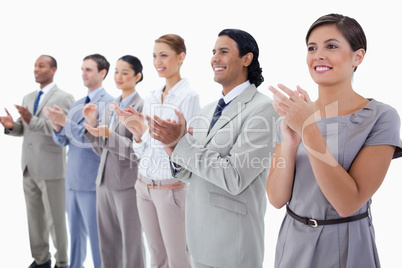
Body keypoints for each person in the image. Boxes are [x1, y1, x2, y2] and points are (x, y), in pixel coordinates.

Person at [266, 13, 402, 268]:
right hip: (293, 244)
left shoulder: (381, 117)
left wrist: (309, 129)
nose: (318, 54)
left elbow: (347, 203)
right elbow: (275, 198)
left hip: (346, 244)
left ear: (358, 57)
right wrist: (290, 142)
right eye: (312, 47)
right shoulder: (291, 117)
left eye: (331, 46)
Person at [144, 29, 277, 268]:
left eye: (224, 51)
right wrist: (172, 148)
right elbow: (190, 174)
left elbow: (235, 177)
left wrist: (182, 143)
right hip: (198, 239)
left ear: (247, 59)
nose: (215, 57)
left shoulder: (264, 109)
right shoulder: (207, 110)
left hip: (231, 244)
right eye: (213, 52)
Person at [114, 34, 200, 268]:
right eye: (154, 55)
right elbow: (143, 151)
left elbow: (188, 151)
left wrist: (166, 141)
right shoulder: (152, 96)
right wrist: (138, 132)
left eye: (164, 55)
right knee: (156, 255)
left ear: (181, 57)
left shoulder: (189, 96)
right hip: (143, 186)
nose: (157, 61)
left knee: (178, 257)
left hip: (170, 190)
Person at [0, 55, 74, 268]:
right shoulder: (28, 97)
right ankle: (41, 260)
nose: (36, 69)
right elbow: (25, 128)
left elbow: (61, 130)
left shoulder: (64, 98)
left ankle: (62, 262)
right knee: (35, 219)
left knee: (56, 221)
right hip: (28, 167)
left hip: (51, 168)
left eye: (41, 65)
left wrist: (32, 120)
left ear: (53, 69)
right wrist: (11, 126)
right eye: (35, 66)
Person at [43, 54, 114, 268]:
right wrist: (57, 127)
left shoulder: (109, 104)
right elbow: (64, 139)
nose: (83, 73)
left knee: (97, 238)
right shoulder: (76, 104)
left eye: (89, 69)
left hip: (92, 183)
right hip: (72, 182)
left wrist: (65, 122)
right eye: (82, 69)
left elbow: (94, 140)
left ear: (102, 73)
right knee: (74, 237)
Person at [83, 55, 145, 268]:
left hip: (127, 184)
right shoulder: (112, 105)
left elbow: (137, 151)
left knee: (132, 242)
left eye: (124, 72)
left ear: (137, 76)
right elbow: (103, 150)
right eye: (116, 71)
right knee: (107, 242)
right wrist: (92, 128)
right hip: (104, 182)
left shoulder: (141, 106)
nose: (118, 76)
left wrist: (110, 134)